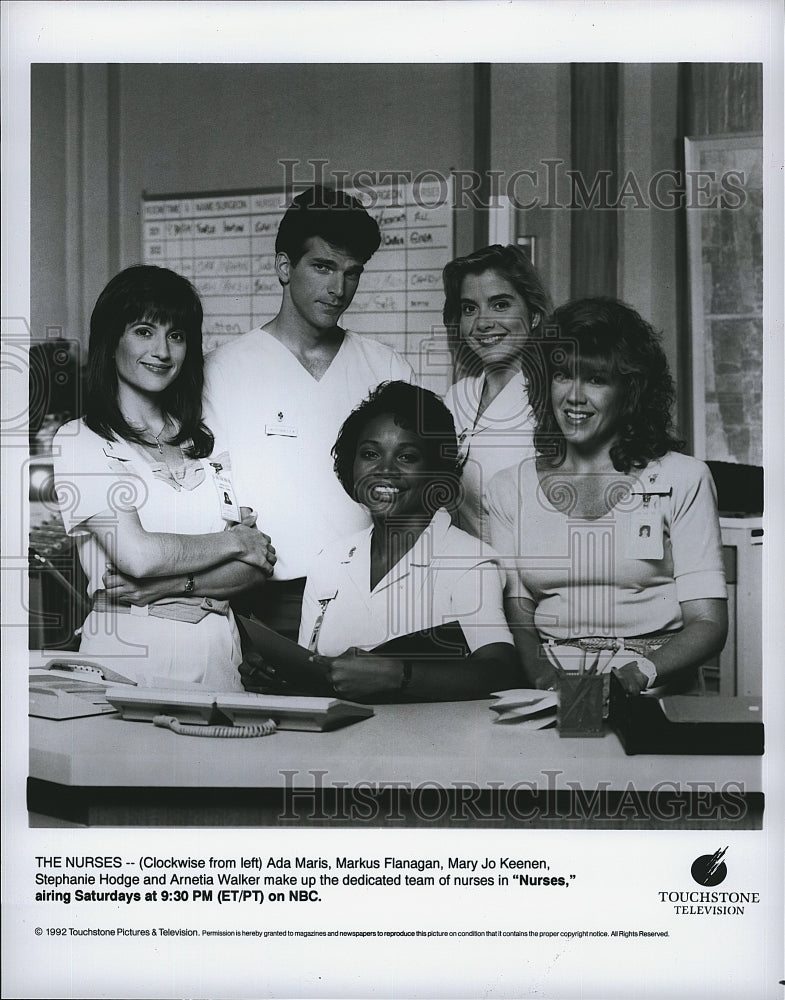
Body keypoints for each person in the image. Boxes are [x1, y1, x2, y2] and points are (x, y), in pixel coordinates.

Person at [484, 297, 728, 695]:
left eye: (596, 380)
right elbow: (519, 612)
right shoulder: (509, 487)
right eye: (563, 375)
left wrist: (635, 676)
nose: (574, 396)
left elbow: (708, 622)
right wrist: (548, 681)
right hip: (551, 689)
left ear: (629, 390)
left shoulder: (683, 478)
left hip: (654, 684)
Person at [204, 186, 414, 641]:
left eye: (351, 273)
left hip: (370, 596)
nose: (338, 289)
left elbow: (413, 491)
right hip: (264, 599)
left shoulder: (387, 368)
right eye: (322, 267)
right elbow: (212, 503)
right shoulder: (222, 370)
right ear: (285, 267)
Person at [52, 266, 276, 688]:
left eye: (176, 335)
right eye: (143, 331)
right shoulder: (81, 439)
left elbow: (256, 566)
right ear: (111, 339)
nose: (162, 351)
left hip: (219, 662)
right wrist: (232, 542)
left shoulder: (211, 439)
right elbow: (137, 555)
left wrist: (169, 585)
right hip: (126, 663)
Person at [297, 381, 518, 702]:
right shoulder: (328, 561)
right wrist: (281, 671)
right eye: (370, 454)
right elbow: (310, 665)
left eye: (407, 456)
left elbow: (501, 670)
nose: (384, 470)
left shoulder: (468, 559)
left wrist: (399, 675)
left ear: (435, 471)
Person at [442, 244, 552, 538]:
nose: (483, 323)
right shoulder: (456, 398)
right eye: (469, 309)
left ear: (534, 315)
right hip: (469, 575)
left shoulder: (555, 400)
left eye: (500, 304)